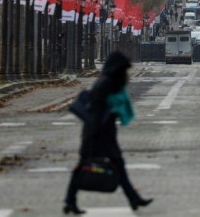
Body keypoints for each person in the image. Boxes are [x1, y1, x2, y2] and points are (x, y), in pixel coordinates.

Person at [64, 51, 153, 214]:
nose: (126, 74)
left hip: (103, 132)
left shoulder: (108, 82)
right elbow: (97, 110)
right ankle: (70, 200)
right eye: (124, 70)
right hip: (97, 134)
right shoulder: (106, 83)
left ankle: (133, 198)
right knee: (85, 167)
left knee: (116, 165)